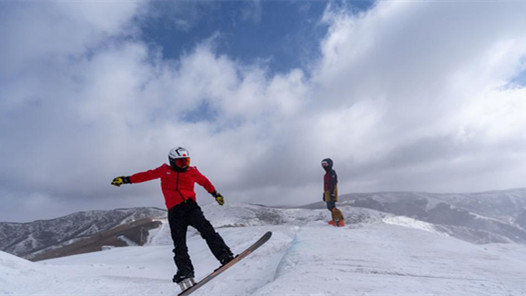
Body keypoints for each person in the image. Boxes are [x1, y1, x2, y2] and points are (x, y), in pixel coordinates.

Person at [111, 147, 234, 289]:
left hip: (191, 208)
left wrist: (215, 194)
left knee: (208, 231)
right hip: (175, 212)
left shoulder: (192, 171)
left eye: (186, 161)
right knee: (179, 244)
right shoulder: (164, 170)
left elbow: (205, 182)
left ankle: (224, 256)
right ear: (172, 161)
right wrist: (126, 180)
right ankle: (185, 272)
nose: (185, 165)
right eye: (181, 162)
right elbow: (146, 175)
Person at [321, 158, 345, 227]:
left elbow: (333, 183)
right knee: (329, 207)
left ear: (330, 164)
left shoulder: (332, 172)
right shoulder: (326, 174)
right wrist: (324, 194)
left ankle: (340, 221)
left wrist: (332, 193)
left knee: (332, 206)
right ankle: (335, 220)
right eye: (322, 164)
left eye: (325, 164)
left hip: (331, 190)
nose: (324, 166)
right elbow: (325, 185)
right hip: (327, 191)